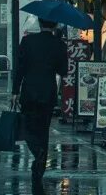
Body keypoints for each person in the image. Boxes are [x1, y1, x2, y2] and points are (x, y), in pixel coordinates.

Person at [14, 18, 68, 178]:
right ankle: (40, 164)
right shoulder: (59, 44)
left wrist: (14, 91)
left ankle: (38, 153)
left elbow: (20, 68)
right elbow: (63, 71)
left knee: (28, 127)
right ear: (56, 24)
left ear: (39, 23)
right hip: (48, 91)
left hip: (29, 90)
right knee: (44, 128)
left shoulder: (27, 41)